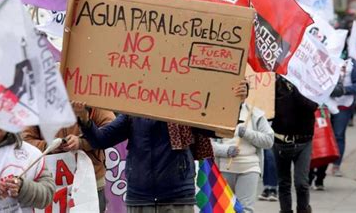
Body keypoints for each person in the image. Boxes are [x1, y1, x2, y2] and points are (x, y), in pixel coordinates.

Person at [72, 80, 249, 213]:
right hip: (140, 197)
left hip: (177, 197)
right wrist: (85, 120)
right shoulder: (134, 113)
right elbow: (100, 140)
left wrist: (236, 102)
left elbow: (218, 129)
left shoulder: (187, 106)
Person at [23, 107, 115, 212]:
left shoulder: (93, 96)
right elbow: (25, 140)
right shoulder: (37, 101)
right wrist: (49, 146)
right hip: (51, 183)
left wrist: (81, 142)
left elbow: (110, 132)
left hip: (91, 181)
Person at [211, 104, 274, 212]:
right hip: (223, 169)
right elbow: (205, 143)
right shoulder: (216, 112)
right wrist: (225, 150)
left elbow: (269, 141)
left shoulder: (256, 114)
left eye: (244, 87)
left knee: (245, 210)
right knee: (223, 209)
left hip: (250, 168)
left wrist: (247, 133)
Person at [273, 76, 318, 213]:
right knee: (284, 183)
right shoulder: (274, 84)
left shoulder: (309, 83)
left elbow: (312, 106)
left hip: (303, 141)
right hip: (280, 141)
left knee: (301, 183)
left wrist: (295, 89)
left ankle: (303, 209)